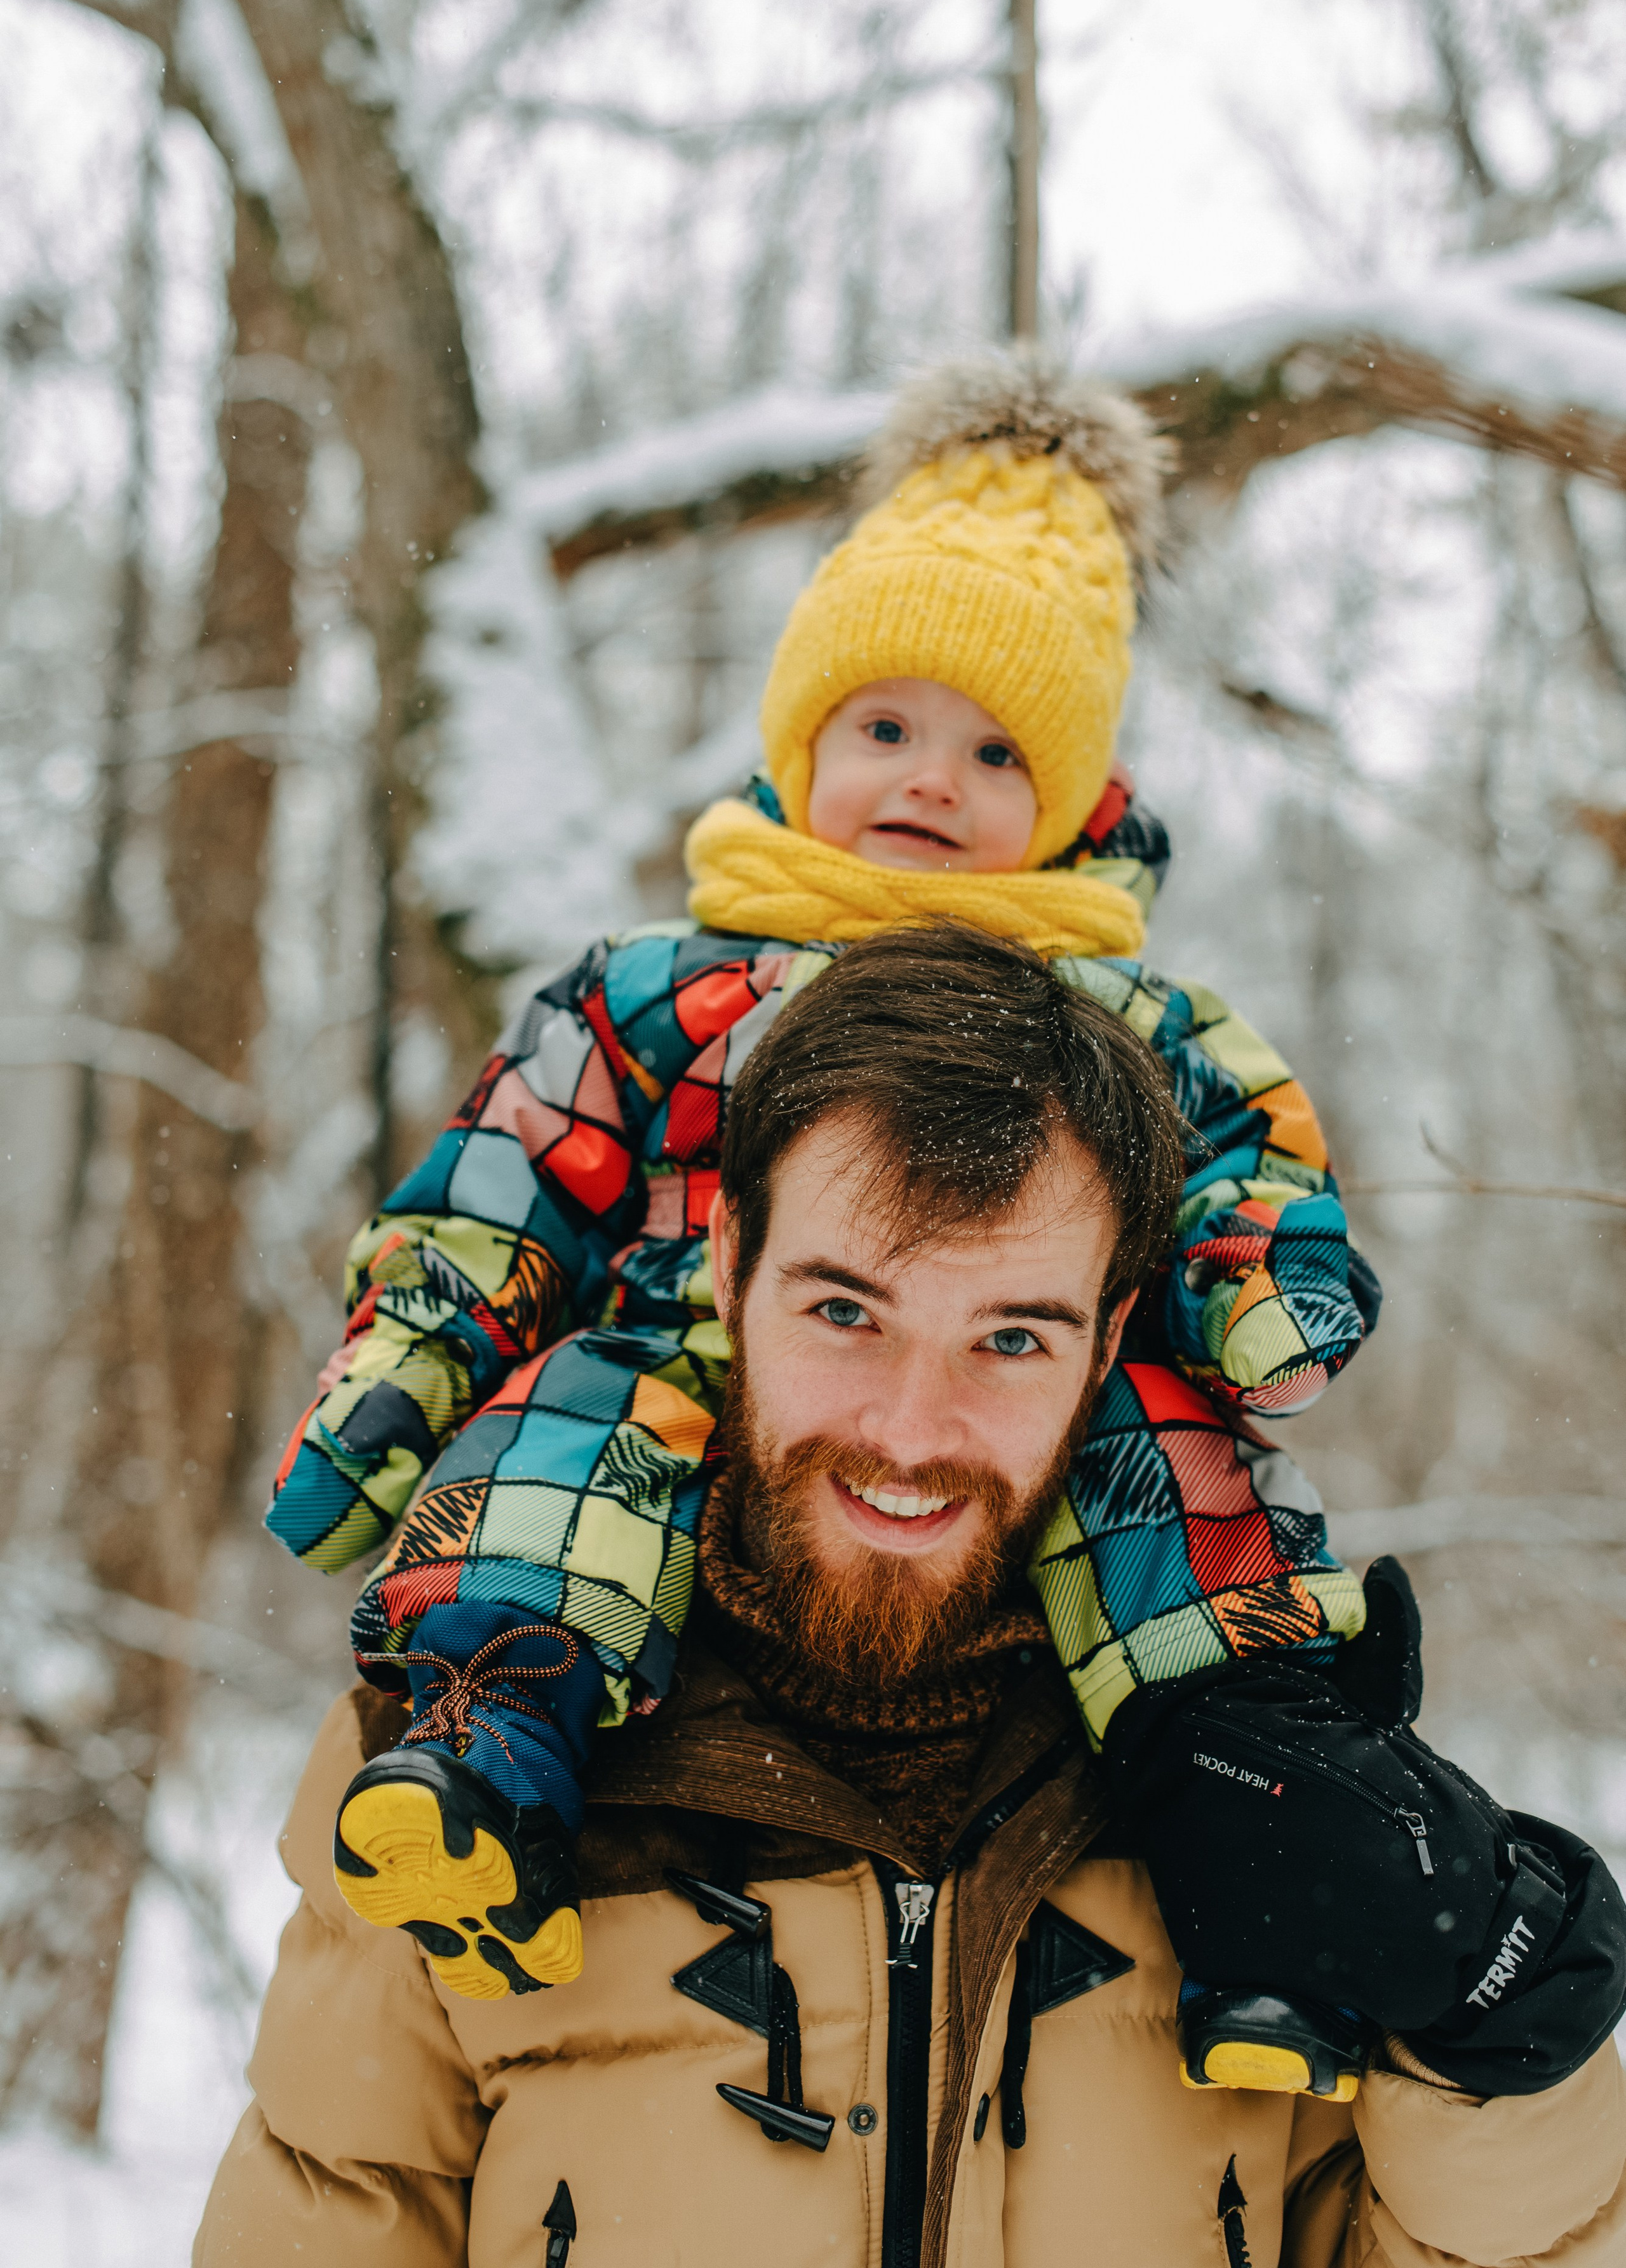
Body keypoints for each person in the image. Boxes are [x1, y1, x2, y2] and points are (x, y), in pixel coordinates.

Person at [197, 926, 1626, 2268]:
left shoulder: (1264, 1777)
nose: (909, 1428)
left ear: (1110, 1332)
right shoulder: (468, 1743)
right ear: (726, 1265)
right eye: (844, 1310)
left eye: (1008, 1336)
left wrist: (1499, 2036)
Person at [264, 354, 1380, 1998]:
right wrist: (408, 1358)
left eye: (998, 754)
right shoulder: (656, 985)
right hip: (671, 1352)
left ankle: (1257, 1836)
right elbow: (506, 1176)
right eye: (886, 725)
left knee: (1171, 1481)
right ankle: (489, 1762)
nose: (932, 776)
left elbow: (1248, 1164)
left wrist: (1261, 1279)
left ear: (1072, 805)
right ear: (801, 742)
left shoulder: (1125, 1014)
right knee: (556, 1444)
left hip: (1002, 1391)